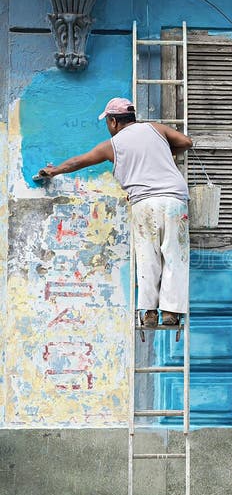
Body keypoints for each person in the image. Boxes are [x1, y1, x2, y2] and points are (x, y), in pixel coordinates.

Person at [36, 97, 193, 328]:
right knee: (174, 255)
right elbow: (186, 142)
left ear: (113, 121)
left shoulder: (113, 144)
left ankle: (149, 312)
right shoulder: (155, 128)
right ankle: (170, 312)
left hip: (144, 203)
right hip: (174, 200)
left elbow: (79, 161)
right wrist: (163, 151)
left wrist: (54, 171)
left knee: (148, 257)